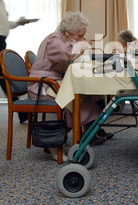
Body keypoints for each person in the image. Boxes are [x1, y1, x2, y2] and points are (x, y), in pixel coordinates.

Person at [28, 11, 109, 161]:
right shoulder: (54, 39)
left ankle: (60, 139)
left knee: (83, 98)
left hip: (53, 83)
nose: (82, 39)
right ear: (67, 33)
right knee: (77, 100)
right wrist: (80, 45)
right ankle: (54, 142)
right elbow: (66, 53)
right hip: (42, 85)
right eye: (79, 35)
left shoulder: (61, 39)